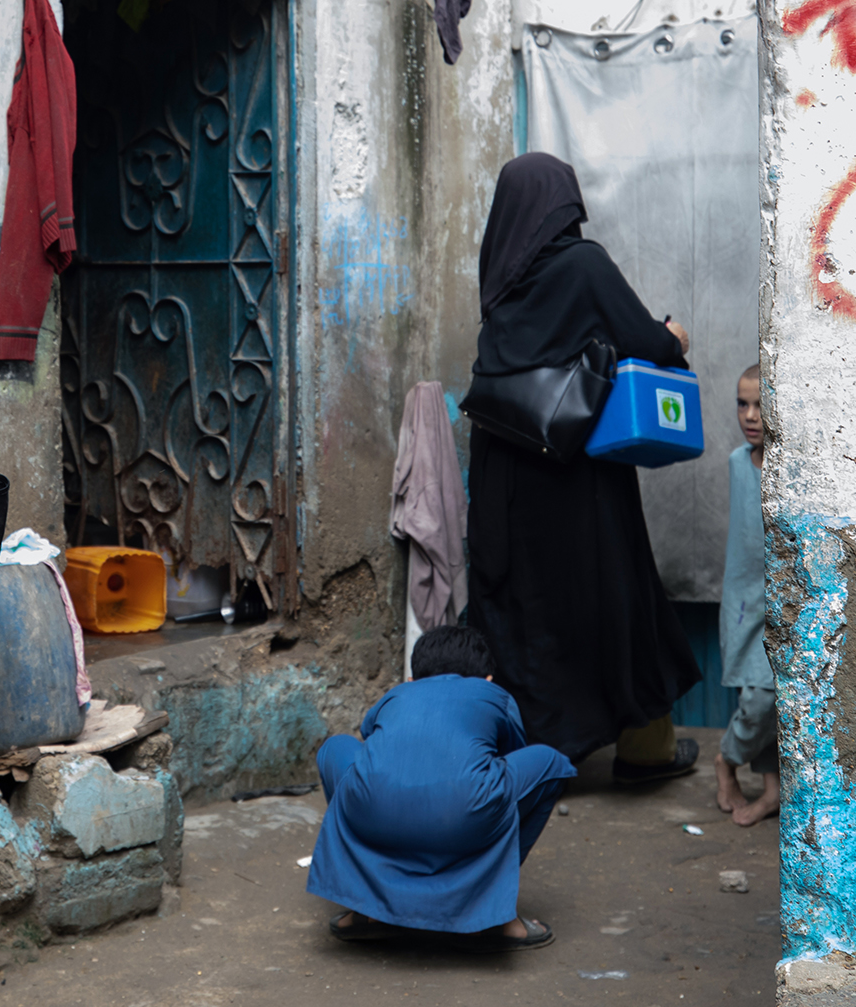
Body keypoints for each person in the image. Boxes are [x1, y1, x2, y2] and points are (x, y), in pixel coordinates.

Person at [464, 152, 705, 779]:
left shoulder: (499, 277)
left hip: (506, 475)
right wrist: (673, 335)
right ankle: (643, 750)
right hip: (577, 474)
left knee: (526, 609)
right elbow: (649, 346)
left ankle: (538, 753)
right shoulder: (583, 264)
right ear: (565, 206)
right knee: (614, 597)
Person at [308, 626, 573, 949]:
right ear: (487, 679)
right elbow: (510, 751)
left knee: (334, 747)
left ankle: (367, 910)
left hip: (374, 812)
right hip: (463, 817)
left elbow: (369, 734)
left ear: (411, 680)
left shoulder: (396, 694)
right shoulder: (494, 695)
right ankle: (494, 917)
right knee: (551, 763)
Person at [714, 364, 780, 826]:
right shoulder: (739, 462)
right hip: (744, 602)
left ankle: (773, 790)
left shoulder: (789, 469)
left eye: (760, 404)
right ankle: (726, 760)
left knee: (780, 700)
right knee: (759, 698)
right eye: (743, 404)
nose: (750, 415)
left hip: (783, 601)